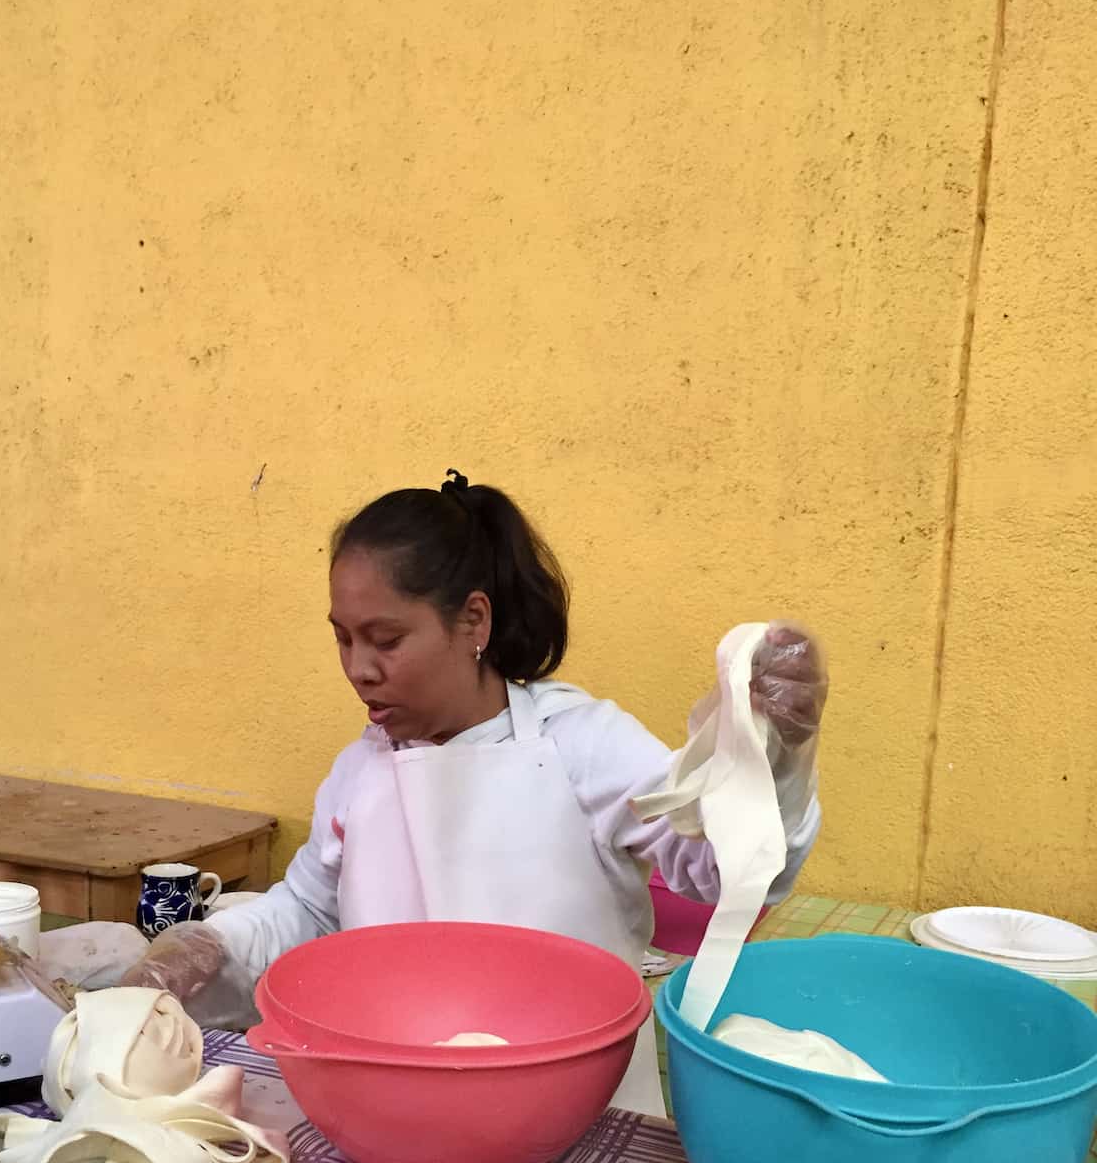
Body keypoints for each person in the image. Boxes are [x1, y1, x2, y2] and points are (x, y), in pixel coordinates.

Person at [121, 471, 828, 1115]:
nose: (359, 669)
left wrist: (772, 760)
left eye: (385, 639)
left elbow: (727, 870)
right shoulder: (362, 769)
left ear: (474, 623)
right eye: (342, 639)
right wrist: (210, 947)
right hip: (396, 1110)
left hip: (577, 1121)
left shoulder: (580, 745)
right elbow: (308, 912)